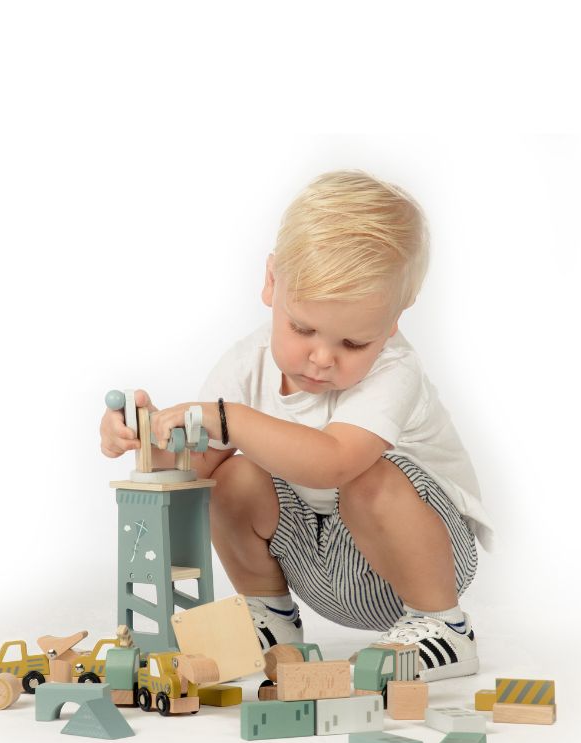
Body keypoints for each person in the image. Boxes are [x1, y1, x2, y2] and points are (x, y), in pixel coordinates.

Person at [100, 170, 493, 682]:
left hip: (420, 561)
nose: (322, 358)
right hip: (319, 559)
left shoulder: (394, 371)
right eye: (302, 328)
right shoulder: (247, 364)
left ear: (395, 319)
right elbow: (198, 461)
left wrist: (231, 419)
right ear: (271, 283)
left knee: (368, 477)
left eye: (354, 343)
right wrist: (146, 437)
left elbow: (334, 463)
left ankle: (445, 626)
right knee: (230, 477)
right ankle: (271, 615)